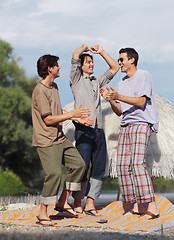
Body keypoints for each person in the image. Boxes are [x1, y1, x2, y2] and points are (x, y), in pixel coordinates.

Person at [32, 54, 94, 226]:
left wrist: (76, 119)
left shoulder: (55, 87)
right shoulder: (40, 91)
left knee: (79, 165)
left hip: (59, 138)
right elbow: (48, 119)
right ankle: (43, 214)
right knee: (54, 174)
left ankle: (62, 201)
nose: (59, 67)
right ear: (49, 68)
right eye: (57, 65)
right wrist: (72, 114)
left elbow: (58, 115)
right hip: (46, 140)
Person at [100, 47, 160, 220]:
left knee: (137, 164)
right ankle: (135, 207)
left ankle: (152, 207)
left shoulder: (143, 75)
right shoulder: (122, 83)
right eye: (118, 60)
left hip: (142, 123)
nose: (119, 63)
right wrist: (112, 100)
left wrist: (118, 95)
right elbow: (120, 111)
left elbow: (141, 102)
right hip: (126, 125)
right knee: (122, 167)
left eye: (121, 60)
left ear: (131, 60)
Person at [70, 44, 119, 216]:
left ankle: (90, 203)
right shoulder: (75, 79)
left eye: (92, 62)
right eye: (89, 62)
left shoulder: (97, 82)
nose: (91, 64)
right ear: (81, 65)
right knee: (81, 167)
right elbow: (76, 54)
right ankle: (77, 203)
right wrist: (84, 48)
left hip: (99, 130)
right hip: (83, 129)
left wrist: (101, 52)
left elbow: (115, 67)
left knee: (98, 168)